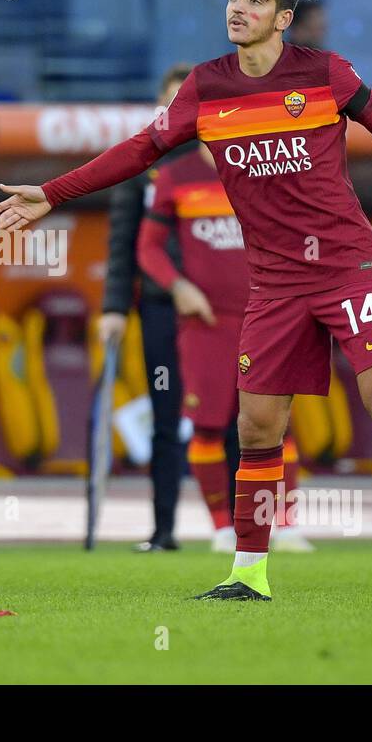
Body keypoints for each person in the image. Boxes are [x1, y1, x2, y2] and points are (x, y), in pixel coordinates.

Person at [0, 0, 372, 602]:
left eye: (254, 0)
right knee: (257, 428)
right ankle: (248, 573)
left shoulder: (325, 73)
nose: (237, 8)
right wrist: (53, 192)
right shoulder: (206, 88)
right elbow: (138, 150)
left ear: (283, 19)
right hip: (276, 285)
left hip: (347, 267)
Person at [136, 140, 312, 554]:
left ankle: (284, 525)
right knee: (208, 424)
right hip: (206, 322)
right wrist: (178, 287)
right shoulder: (175, 176)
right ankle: (221, 528)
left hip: (267, 315)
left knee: (276, 421)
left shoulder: (267, 167)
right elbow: (148, 247)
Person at [97, 63, 196, 552]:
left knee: (241, 417)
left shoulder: (229, 155)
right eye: (172, 101)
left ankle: (244, 533)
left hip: (224, 308)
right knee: (165, 418)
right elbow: (123, 243)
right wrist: (114, 307)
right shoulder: (143, 159)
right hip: (160, 306)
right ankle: (164, 531)